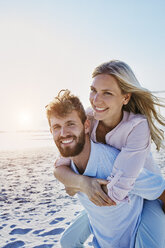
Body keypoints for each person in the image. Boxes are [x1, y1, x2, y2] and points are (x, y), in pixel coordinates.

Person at [53, 60, 165, 248]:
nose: (96, 100)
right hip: (104, 194)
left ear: (125, 97)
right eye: (93, 90)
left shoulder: (136, 126)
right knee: (69, 241)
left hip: (149, 195)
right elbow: (59, 167)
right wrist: (82, 183)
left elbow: (118, 190)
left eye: (107, 93)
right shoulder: (88, 119)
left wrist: (75, 185)